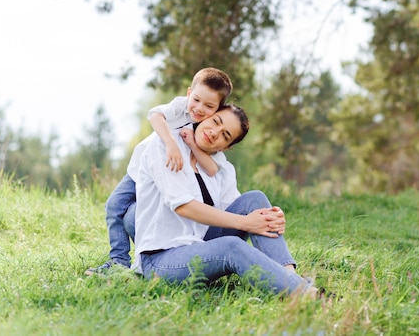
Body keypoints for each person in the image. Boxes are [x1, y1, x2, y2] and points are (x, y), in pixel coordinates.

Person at [131, 104, 316, 296]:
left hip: (200, 244)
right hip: (161, 259)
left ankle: (289, 276)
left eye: (225, 135)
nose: (214, 132)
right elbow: (183, 207)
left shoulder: (223, 169)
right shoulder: (166, 145)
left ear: (227, 147)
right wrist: (247, 222)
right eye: (215, 121)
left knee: (255, 199)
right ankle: (309, 296)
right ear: (205, 117)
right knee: (231, 247)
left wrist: (270, 217)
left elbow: (237, 213)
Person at [85, 68, 233, 275]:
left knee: (143, 214)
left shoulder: (206, 129)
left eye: (209, 106)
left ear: (218, 109)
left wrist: (192, 145)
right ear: (189, 93)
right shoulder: (181, 106)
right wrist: (170, 143)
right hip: (140, 172)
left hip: (163, 182)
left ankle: (154, 257)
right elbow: (154, 115)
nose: (199, 109)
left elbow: (212, 168)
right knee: (114, 207)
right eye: (196, 100)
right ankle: (118, 260)